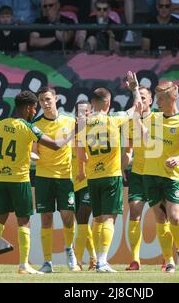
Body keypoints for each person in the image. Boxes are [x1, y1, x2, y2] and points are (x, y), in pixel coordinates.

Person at [0, 90, 73, 274]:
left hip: (1, 179)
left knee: (0, 219)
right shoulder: (29, 127)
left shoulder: (0, 125)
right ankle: (23, 265)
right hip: (20, 180)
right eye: (35, 107)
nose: (35, 112)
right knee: (24, 222)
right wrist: (73, 132)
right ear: (29, 108)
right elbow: (55, 145)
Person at [77, 73, 142, 272]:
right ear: (108, 103)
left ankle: (97, 260)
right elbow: (137, 108)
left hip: (93, 177)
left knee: (97, 219)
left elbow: (80, 154)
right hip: (111, 175)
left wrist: (87, 166)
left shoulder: (83, 124)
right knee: (109, 218)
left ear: (92, 103)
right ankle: (102, 261)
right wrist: (135, 89)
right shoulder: (115, 119)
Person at [141, 80, 179, 273]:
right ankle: (168, 260)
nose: (157, 102)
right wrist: (133, 89)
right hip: (150, 175)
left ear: (173, 98)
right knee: (160, 218)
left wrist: (178, 159)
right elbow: (138, 108)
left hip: (171, 177)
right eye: (156, 98)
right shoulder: (152, 117)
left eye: (161, 99)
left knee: (174, 218)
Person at [123, 85, 172, 271]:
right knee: (134, 213)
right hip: (137, 174)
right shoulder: (130, 123)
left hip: (157, 174)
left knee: (162, 217)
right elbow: (128, 151)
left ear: (151, 100)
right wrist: (121, 167)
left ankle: (167, 258)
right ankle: (135, 260)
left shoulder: (159, 119)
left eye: (144, 98)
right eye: (137, 98)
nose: (140, 102)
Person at [31, 86, 80, 273]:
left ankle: (69, 250)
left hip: (65, 177)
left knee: (68, 218)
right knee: (46, 220)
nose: (45, 103)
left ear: (56, 99)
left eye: (48, 99)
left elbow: (80, 148)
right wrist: (32, 156)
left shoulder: (69, 121)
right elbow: (34, 151)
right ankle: (47, 262)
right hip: (44, 178)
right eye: (42, 100)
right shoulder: (35, 126)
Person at [72, 100, 97, 271]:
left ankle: (77, 261)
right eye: (80, 112)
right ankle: (93, 257)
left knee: (82, 217)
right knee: (82, 223)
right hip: (73, 181)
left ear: (92, 113)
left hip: (90, 180)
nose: (84, 115)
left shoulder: (97, 130)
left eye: (87, 112)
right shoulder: (69, 130)